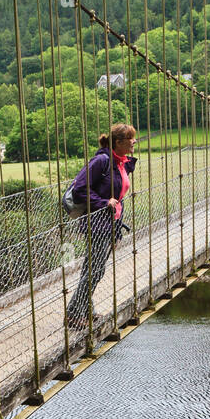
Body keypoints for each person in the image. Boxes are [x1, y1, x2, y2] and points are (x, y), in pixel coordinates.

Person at [66, 123, 137, 330]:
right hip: (96, 223)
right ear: (118, 142)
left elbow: (118, 199)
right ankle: (73, 314)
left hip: (109, 224)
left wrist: (116, 229)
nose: (134, 141)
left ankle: (85, 310)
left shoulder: (121, 163)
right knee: (94, 270)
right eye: (130, 138)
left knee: (93, 269)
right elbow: (80, 189)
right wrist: (103, 203)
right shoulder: (102, 161)